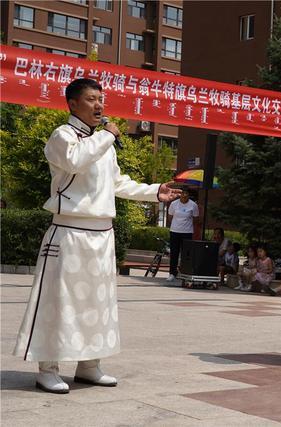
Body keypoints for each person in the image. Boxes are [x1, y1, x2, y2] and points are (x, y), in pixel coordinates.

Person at [12, 78, 180, 394]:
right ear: (73, 104)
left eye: (101, 99)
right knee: (59, 302)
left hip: (102, 235)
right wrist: (106, 135)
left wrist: (155, 192)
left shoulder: (101, 143)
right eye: (91, 99)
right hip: (69, 232)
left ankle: (89, 364)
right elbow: (76, 160)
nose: (99, 105)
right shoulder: (63, 136)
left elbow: (117, 183)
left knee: (97, 303)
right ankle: (47, 368)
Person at [166, 189, 199, 282]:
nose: (184, 195)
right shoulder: (174, 204)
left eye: (186, 194)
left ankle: (185, 273)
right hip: (175, 231)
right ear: (180, 194)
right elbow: (170, 217)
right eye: (183, 193)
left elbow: (196, 219)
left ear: (189, 195)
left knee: (186, 254)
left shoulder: (193, 205)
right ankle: (172, 273)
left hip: (187, 232)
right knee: (174, 253)